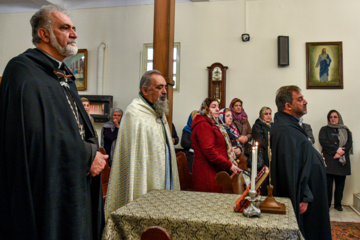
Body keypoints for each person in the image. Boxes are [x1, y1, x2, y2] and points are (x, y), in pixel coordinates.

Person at [0, 5, 107, 240]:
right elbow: (36, 135)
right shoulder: (23, 71)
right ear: (44, 34)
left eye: (74, 28)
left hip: (75, 177)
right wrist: (88, 154)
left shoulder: (62, 74)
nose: (74, 34)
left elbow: (74, 126)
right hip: (46, 183)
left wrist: (90, 151)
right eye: (65, 28)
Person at [105, 70, 180, 216]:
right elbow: (135, 157)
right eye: (159, 87)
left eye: (165, 87)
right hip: (145, 179)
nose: (165, 91)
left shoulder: (158, 112)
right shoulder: (134, 114)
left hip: (164, 175)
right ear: (145, 90)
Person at [271, 85, 331, 240]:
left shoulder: (289, 125)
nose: (305, 101)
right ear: (288, 106)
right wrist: (305, 196)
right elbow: (291, 167)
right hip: (304, 198)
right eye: (300, 99)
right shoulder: (286, 131)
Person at [191, 98, 241, 193]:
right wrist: (228, 164)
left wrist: (229, 159)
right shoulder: (203, 124)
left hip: (214, 169)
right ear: (206, 109)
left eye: (218, 106)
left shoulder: (213, 123)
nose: (217, 109)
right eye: (213, 107)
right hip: (206, 171)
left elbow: (219, 147)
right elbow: (209, 151)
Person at [319, 110, 352, 212]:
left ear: (339, 118)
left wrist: (340, 152)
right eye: (331, 117)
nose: (333, 119)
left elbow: (349, 143)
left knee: (340, 185)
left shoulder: (346, 130)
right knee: (328, 185)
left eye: (335, 117)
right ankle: (327, 204)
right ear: (329, 119)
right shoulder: (324, 129)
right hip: (329, 160)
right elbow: (323, 142)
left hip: (342, 161)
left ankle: (338, 204)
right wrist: (335, 150)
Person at [252, 106, 272, 195]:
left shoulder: (273, 125)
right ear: (261, 115)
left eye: (270, 114)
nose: (268, 116)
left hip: (271, 155)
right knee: (263, 179)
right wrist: (270, 145)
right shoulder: (257, 126)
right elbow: (260, 140)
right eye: (266, 114)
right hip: (263, 156)